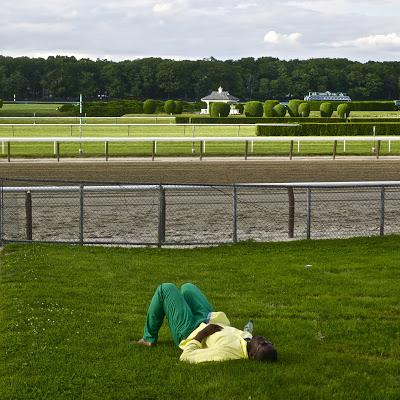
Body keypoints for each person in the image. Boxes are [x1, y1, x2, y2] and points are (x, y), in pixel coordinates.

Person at [137, 282, 277, 363]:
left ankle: (148, 339)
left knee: (165, 289)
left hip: (190, 330)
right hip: (207, 318)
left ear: (252, 355)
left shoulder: (227, 352)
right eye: (269, 342)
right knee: (187, 288)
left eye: (263, 344)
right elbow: (248, 331)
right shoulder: (248, 340)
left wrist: (203, 333)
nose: (264, 340)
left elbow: (187, 356)